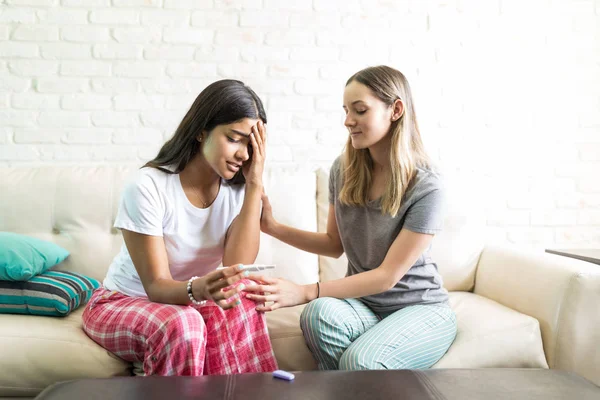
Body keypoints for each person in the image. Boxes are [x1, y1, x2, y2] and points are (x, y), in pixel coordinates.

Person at [244, 65, 457, 371]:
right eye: (346, 110)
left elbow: (387, 276)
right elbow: (334, 245)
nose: (347, 121)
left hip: (420, 309)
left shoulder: (427, 186)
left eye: (359, 110)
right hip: (365, 306)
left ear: (395, 110)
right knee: (317, 314)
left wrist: (305, 290)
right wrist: (273, 227)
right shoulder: (343, 170)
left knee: (361, 360)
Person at [82, 79, 278, 376]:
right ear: (201, 130)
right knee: (183, 324)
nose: (244, 155)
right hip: (125, 302)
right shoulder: (148, 186)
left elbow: (237, 265)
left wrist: (254, 185)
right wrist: (199, 288)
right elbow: (156, 286)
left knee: (245, 298)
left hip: (191, 302)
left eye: (250, 145)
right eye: (234, 139)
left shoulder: (239, 191)